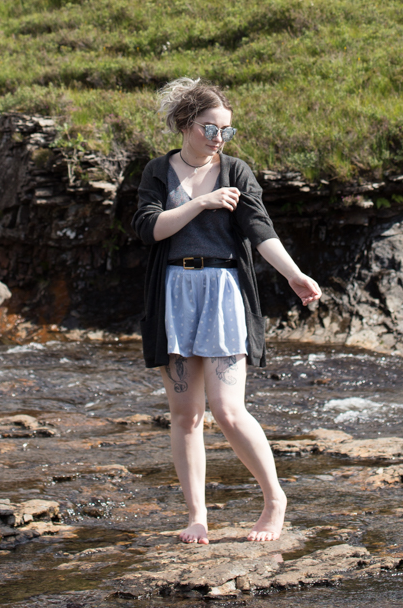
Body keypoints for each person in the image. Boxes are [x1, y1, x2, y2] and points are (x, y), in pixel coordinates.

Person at [132, 77, 321, 545]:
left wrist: (294, 275)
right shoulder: (158, 172)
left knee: (228, 410)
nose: (219, 139)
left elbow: (260, 229)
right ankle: (197, 516)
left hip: (223, 290)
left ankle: (274, 498)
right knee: (185, 414)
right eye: (210, 128)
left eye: (226, 130)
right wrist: (202, 202)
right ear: (185, 124)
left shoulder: (237, 172)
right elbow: (148, 229)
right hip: (173, 292)